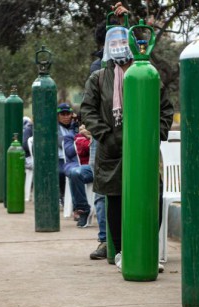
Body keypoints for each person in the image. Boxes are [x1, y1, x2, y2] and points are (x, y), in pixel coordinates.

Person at [81, 2, 174, 272]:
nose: (122, 48)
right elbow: (88, 110)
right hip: (113, 148)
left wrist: (154, 135)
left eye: (126, 41)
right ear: (108, 47)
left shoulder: (147, 74)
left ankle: (146, 248)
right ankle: (121, 250)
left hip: (144, 149)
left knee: (151, 196)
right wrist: (105, 136)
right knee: (115, 198)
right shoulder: (98, 78)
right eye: (116, 42)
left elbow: (165, 109)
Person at [88, 21, 108, 260]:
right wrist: (102, 132)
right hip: (104, 138)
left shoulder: (136, 63)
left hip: (132, 136)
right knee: (102, 189)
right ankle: (105, 240)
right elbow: (89, 108)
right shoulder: (98, 67)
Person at [63, 124, 94, 227]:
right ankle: (83, 209)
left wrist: (92, 136)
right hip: (84, 166)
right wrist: (88, 137)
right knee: (75, 173)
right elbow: (73, 151)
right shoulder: (75, 135)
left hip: (105, 165)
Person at [57, 103, 78, 205]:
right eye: (62, 114)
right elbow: (62, 143)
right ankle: (63, 196)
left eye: (68, 114)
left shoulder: (75, 126)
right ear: (57, 116)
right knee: (61, 172)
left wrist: (76, 122)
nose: (66, 117)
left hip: (76, 158)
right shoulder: (55, 127)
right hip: (60, 158)